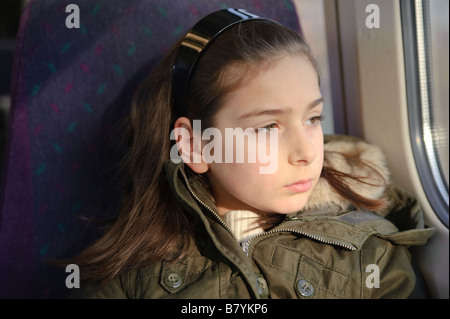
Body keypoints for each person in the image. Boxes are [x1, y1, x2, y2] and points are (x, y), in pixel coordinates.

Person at [69, 9, 435, 299]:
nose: (306, 151)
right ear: (197, 144)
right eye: (267, 127)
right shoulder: (132, 276)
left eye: (312, 118)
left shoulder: (368, 255)